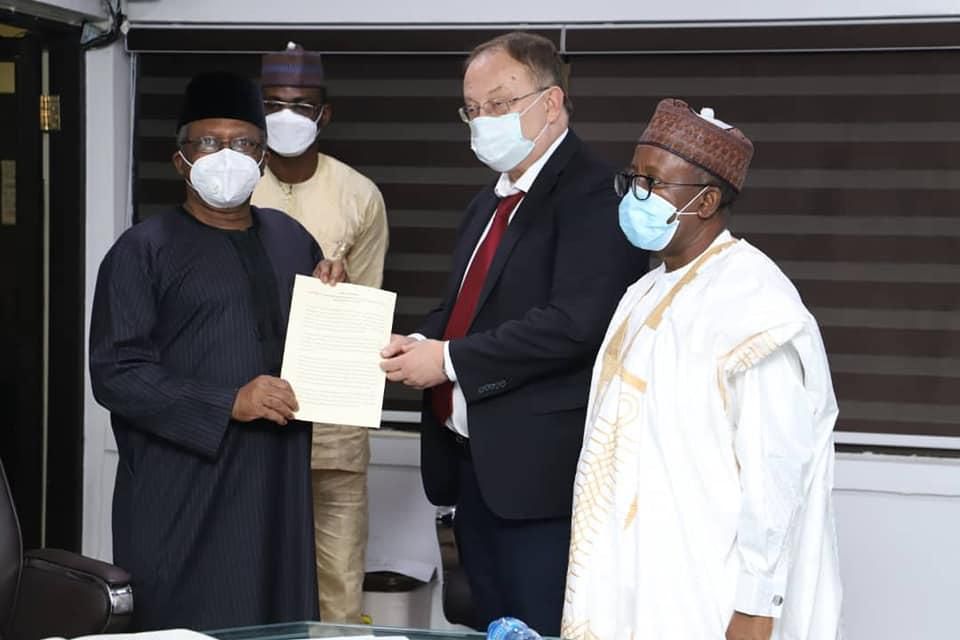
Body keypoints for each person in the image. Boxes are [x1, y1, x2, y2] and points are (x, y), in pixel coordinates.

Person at [379, 32, 648, 635]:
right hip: (472, 472)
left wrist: (448, 360)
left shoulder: (595, 194)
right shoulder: (488, 203)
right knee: (491, 626)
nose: (483, 122)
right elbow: (461, 310)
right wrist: (417, 342)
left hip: (540, 482)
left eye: (499, 104)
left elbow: (576, 325)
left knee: (540, 625)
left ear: (551, 103)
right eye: (472, 109)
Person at [561, 98, 843, 640]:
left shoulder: (755, 305)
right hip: (628, 574)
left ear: (707, 200)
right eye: (633, 178)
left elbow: (776, 470)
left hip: (704, 588)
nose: (636, 195)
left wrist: (757, 605)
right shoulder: (642, 292)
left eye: (654, 182)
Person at [90, 71, 321, 630]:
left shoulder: (294, 239)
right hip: (182, 493)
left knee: (278, 619)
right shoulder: (142, 250)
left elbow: (316, 342)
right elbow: (116, 373)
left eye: (244, 143)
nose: (227, 156)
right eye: (210, 142)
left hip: (278, 483)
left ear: (262, 159)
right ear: (181, 159)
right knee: (188, 624)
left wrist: (334, 293)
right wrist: (227, 402)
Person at [251, 42, 388, 624]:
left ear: (324, 114)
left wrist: (339, 286)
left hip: (333, 430)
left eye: (301, 105)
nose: (286, 117)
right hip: (251, 427)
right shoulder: (233, 188)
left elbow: (366, 309)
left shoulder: (359, 195)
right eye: (273, 104)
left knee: (337, 588)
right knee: (251, 579)